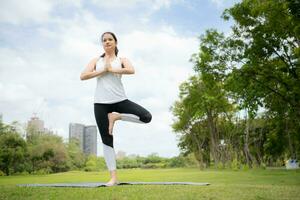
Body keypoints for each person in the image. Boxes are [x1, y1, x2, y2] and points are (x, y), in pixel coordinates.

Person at [80, 32, 152, 186]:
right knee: (107, 140)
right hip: (100, 103)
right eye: (104, 40)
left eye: (110, 39)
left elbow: (131, 70)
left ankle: (116, 117)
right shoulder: (96, 60)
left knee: (146, 117)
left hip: (120, 100)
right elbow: (83, 75)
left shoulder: (122, 60)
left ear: (115, 42)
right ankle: (113, 177)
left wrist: (111, 69)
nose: (107, 42)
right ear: (102, 44)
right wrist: (102, 70)